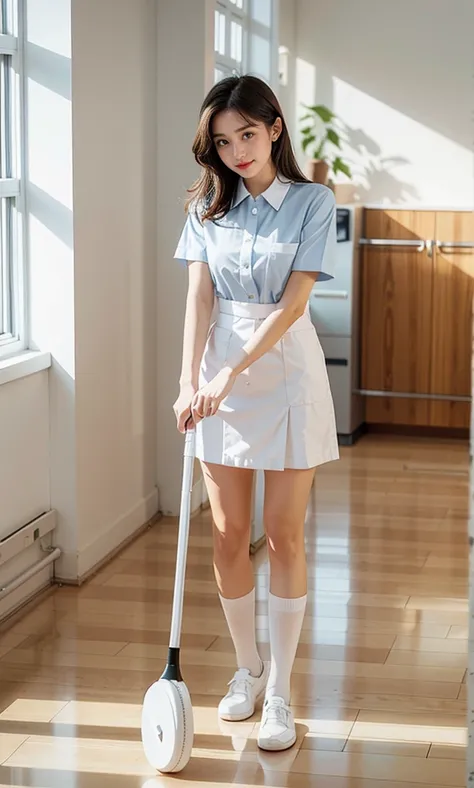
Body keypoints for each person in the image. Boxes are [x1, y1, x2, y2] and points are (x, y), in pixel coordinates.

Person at [173, 74, 339, 752]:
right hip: (216, 378)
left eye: (248, 133)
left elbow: (295, 304)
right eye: (223, 140)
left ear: (274, 128)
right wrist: (189, 381)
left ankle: (281, 692)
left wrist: (231, 373)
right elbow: (199, 301)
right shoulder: (208, 207)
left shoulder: (312, 202)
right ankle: (247, 668)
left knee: (282, 536)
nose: (238, 150)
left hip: (285, 372)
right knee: (226, 531)